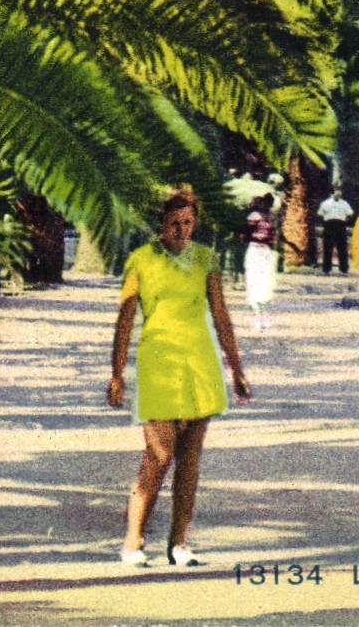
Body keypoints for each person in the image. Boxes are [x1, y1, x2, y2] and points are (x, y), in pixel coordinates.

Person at [108, 186, 252, 569]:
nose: (181, 230)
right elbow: (125, 319)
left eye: (188, 222)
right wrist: (116, 373)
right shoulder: (141, 260)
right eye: (174, 222)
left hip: (200, 364)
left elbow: (221, 315)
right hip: (159, 364)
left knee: (189, 462)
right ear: (161, 222)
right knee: (157, 457)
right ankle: (134, 541)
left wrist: (236, 369)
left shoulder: (206, 259)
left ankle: (179, 544)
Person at [239, 194, 278, 333]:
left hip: (266, 251)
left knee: (266, 282)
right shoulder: (253, 217)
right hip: (255, 249)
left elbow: (273, 236)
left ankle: (264, 314)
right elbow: (244, 235)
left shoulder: (270, 218)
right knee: (254, 281)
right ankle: (256, 315)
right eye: (265, 204)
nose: (267, 207)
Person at [317, 190, 354, 274]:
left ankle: (344, 268)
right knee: (328, 247)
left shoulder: (344, 203)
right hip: (329, 225)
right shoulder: (325, 203)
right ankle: (327, 269)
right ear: (332, 194)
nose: (338, 195)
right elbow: (320, 214)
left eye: (339, 194)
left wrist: (345, 221)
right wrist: (325, 223)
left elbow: (350, 213)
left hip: (341, 224)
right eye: (336, 193)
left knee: (342, 248)